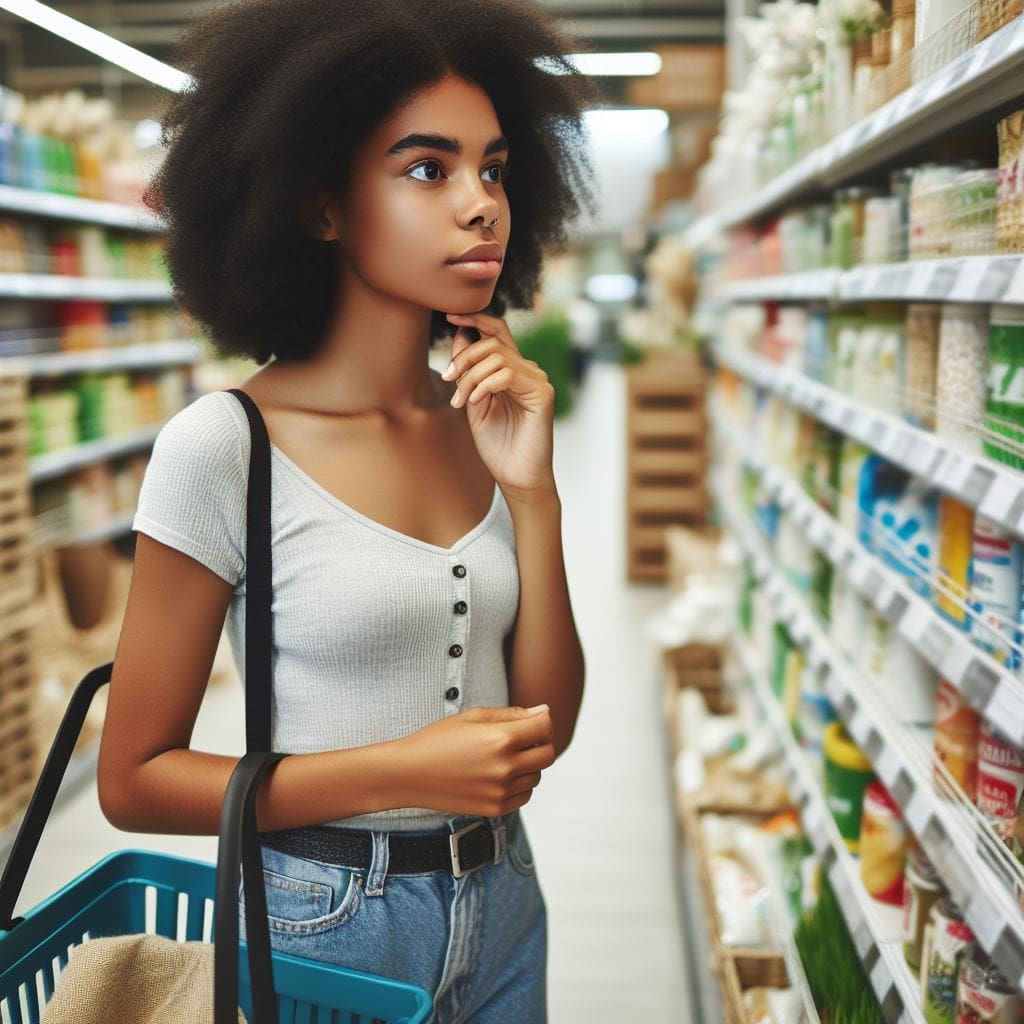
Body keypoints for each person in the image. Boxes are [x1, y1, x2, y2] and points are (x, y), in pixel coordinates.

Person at [96, 1, 598, 1020]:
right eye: (429, 169)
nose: (480, 206)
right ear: (321, 204)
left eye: (494, 169)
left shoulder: (482, 418)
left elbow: (547, 727)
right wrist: (397, 771)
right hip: (324, 919)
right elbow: (133, 779)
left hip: (503, 900)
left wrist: (533, 496)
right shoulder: (225, 446)